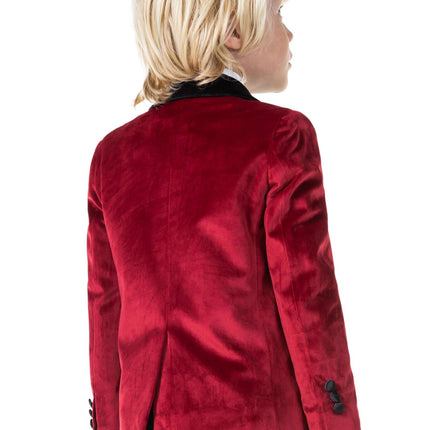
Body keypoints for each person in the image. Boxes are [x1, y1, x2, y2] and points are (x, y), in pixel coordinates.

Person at [86, 1, 361, 429]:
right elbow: (309, 309)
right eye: (278, 13)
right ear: (233, 31)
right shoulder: (281, 137)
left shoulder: (112, 157)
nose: (289, 33)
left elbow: (106, 321)